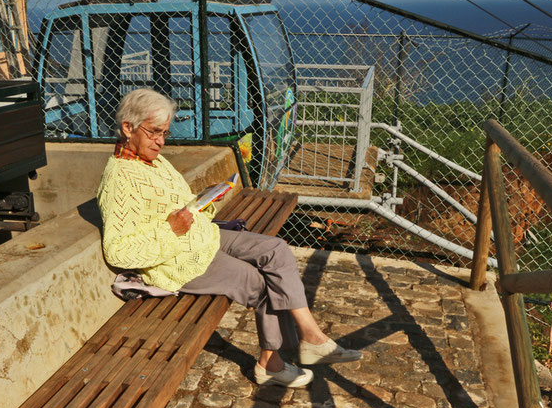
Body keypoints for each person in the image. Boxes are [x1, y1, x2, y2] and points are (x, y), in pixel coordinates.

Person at [97, 88, 361, 387]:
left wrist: (203, 201)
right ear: (128, 128)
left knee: (276, 249)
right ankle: (272, 363)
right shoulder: (120, 179)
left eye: (165, 133)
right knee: (261, 283)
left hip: (203, 236)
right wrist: (170, 230)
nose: (160, 141)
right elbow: (119, 251)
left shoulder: (155, 161)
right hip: (178, 261)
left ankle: (311, 335)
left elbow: (179, 208)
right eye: (154, 132)